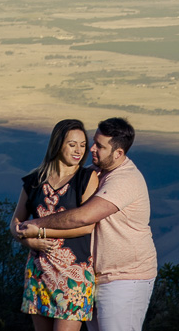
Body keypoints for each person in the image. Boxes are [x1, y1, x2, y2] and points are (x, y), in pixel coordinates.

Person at [16, 117, 156, 331]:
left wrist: (37, 227)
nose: (91, 149)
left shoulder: (125, 180)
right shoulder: (94, 173)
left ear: (118, 153)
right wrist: (27, 238)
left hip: (124, 278)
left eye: (99, 146)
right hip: (97, 276)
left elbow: (82, 217)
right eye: (93, 142)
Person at [11, 118, 100, 331]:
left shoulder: (87, 178)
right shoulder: (34, 181)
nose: (79, 150)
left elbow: (88, 226)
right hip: (39, 273)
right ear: (58, 144)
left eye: (82, 145)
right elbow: (15, 223)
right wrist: (29, 242)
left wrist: (40, 232)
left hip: (74, 277)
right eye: (72, 144)